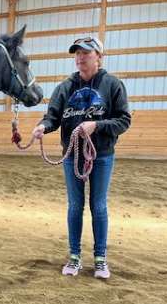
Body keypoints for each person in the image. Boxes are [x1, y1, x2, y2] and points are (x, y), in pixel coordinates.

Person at [32, 36, 131, 279]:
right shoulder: (64, 88)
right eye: (77, 53)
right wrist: (42, 127)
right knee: (75, 206)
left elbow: (123, 120)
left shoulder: (113, 85)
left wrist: (96, 125)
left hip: (101, 155)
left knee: (98, 206)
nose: (80, 57)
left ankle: (100, 258)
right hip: (71, 155)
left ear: (99, 56)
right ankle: (74, 256)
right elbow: (53, 117)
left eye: (86, 53)